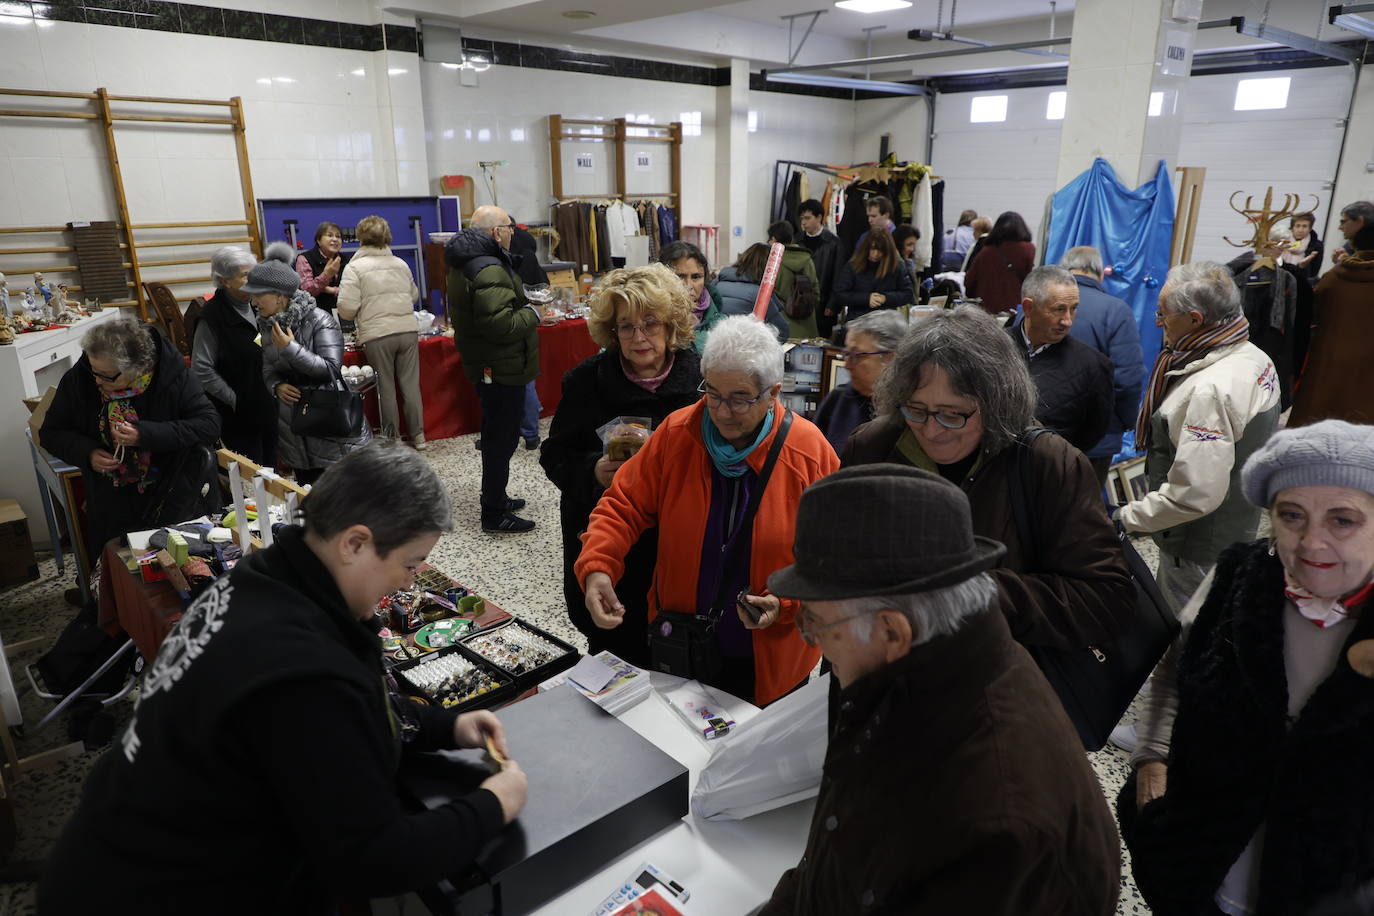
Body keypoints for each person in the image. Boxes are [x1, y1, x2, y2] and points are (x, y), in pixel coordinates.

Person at [38, 443, 527, 914]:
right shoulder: (304, 668)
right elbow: (374, 859)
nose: (409, 582)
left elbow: (335, 720)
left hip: (114, 851)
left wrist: (445, 727)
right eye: (409, 564)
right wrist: (492, 806)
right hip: (161, 893)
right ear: (354, 543)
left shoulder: (260, 581)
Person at [757, 464, 1121, 916]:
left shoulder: (1001, 822)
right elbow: (837, 847)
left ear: (892, 631)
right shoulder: (924, 667)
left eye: (815, 623)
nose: (811, 640)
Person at [1119, 420, 1374, 916]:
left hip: (1327, 887)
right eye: (1292, 515)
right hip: (1202, 859)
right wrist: (1151, 761)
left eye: (1343, 520)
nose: (1312, 543)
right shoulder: (1240, 574)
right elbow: (1176, 668)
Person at [575, 316, 839, 705]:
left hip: (768, 658)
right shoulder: (678, 433)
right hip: (682, 643)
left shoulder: (808, 453)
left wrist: (786, 604)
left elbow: (835, 559)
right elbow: (623, 503)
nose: (722, 411)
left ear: (773, 394)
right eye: (712, 393)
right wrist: (598, 567)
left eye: (740, 398)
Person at [842, 306, 1132, 655]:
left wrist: (974, 593)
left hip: (994, 680)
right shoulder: (872, 445)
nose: (933, 431)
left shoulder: (1048, 463)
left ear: (997, 403)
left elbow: (1106, 599)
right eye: (917, 410)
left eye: (954, 414)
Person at [540, 265, 703, 667]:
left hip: (679, 532)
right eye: (626, 327)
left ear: (671, 325)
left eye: (650, 323)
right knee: (615, 641)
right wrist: (593, 470)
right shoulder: (588, 382)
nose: (639, 337)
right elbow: (555, 453)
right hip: (609, 535)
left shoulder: (701, 380)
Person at [1116, 261, 1281, 611]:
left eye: (1163, 315)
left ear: (1194, 319)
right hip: (1237, 524)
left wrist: (1127, 518)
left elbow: (1194, 494)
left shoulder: (1210, 389)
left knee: (1183, 635)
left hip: (1197, 542)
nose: (1158, 322)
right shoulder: (1255, 356)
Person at [39, 316, 221, 560]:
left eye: (107, 376)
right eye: (95, 372)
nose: (97, 381)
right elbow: (51, 433)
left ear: (138, 368)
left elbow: (208, 425)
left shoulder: (172, 375)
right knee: (120, 571)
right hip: (110, 502)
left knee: (175, 568)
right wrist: (88, 453)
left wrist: (145, 435)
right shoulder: (81, 378)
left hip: (174, 494)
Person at [445, 205, 540, 532]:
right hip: (500, 365)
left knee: (496, 432)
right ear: (495, 232)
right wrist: (534, 313)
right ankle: (494, 512)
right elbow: (501, 325)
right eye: (509, 226)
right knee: (502, 438)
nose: (513, 231)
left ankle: (496, 495)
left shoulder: (467, 262)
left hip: (488, 364)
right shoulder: (488, 268)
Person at [248, 254, 372, 486]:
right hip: (294, 431)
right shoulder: (267, 326)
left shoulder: (319, 320)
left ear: (279, 295)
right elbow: (267, 370)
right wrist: (277, 386)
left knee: (344, 501)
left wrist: (289, 348)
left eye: (258, 295)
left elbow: (330, 369)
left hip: (330, 430)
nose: (254, 302)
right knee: (311, 500)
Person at [336, 215, 425, 449]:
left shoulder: (354, 267)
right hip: (407, 330)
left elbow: (345, 309)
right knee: (410, 386)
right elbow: (413, 295)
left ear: (359, 237)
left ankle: (392, 439)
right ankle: (419, 436)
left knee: (386, 387)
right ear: (387, 236)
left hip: (377, 335)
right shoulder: (400, 263)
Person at [1061, 246, 1147, 486]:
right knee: (1082, 512)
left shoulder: (1039, 304)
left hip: (1040, 432)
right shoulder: (1116, 310)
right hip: (1097, 437)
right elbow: (1128, 379)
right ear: (1100, 274)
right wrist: (1124, 424)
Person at [1009, 265, 1114, 455]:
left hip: (1049, 475)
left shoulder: (1093, 366)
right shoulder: (992, 349)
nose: (1067, 321)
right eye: (1058, 310)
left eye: (1073, 309)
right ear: (1028, 308)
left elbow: (1093, 432)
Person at [1288, 200, 1374, 428]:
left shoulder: (1337, 278)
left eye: (1344, 222)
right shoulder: (1339, 272)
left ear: (1360, 222)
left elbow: (1313, 312)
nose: (1339, 227)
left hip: (1327, 367)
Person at [193, 245, 276, 465]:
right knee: (252, 479)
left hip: (266, 406)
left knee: (272, 472)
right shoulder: (211, 316)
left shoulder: (256, 304)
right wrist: (234, 400)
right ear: (225, 280)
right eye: (245, 275)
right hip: (238, 417)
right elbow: (201, 369)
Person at [813, 309, 903, 453]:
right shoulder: (838, 399)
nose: (847, 365)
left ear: (890, 358)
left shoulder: (913, 412)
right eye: (847, 354)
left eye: (857, 355)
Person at [831, 230, 914, 324]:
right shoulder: (853, 265)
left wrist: (886, 298)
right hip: (858, 320)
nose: (875, 254)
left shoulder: (897, 266)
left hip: (887, 320)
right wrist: (866, 298)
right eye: (872, 249)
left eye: (880, 250)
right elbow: (840, 294)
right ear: (866, 248)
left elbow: (908, 293)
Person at [713, 243, 791, 341]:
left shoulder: (716, 284)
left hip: (714, 344)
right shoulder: (760, 294)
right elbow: (782, 332)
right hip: (743, 347)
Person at [964, 210, 1036, 314]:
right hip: (1017, 311)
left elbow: (969, 282)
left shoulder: (986, 251)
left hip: (988, 312)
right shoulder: (1029, 249)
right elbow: (1033, 281)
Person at [660, 239, 722, 352]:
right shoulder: (653, 324)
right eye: (679, 277)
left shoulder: (721, 324)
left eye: (696, 277)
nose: (689, 286)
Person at [766, 220, 821, 339]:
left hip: (780, 326)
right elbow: (816, 293)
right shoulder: (807, 259)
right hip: (806, 324)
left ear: (774, 239)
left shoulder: (773, 262)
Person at [796, 198, 842, 337]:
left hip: (823, 302)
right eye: (802, 218)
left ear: (819, 217)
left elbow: (838, 274)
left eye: (808, 218)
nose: (804, 222)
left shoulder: (834, 243)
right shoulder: (797, 240)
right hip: (798, 301)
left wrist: (833, 303)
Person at [294, 220, 350, 315]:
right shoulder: (305, 258)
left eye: (338, 236)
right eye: (330, 235)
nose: (335, 239)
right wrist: (326, 275)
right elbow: (306, 290)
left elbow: (352, 288)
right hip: (317, 315)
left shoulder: (345, 259)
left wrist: (331, 290)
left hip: (343, 312)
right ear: (318, 240)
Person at [1281, 210, 1324, 283]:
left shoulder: (1316, 246)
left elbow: (1314, 272)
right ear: (1292, 228)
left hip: (1302, 283)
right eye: (1297, 226)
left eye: (1304, 226)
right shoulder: (1282, 241)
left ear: (1310, 229)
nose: (1300, 230)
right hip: (1281, 280)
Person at [892, 224, 922, 290]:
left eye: (914, 245)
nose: (912, 249)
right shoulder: (891, 266)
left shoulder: (909, 261)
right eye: (909, 244)